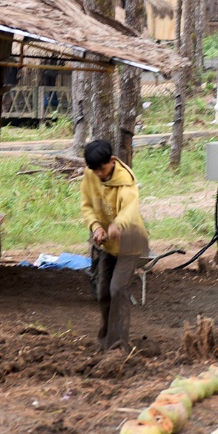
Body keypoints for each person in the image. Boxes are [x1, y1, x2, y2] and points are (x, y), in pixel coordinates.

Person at [80, 138, 149, 352]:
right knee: (103, 292)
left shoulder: (126, 182)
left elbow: (129, 210)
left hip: (130, 241)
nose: (98, 174)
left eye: (101, 169)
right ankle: (106, 340)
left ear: (111, 161)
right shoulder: (90, 175)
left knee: (118, 289)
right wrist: (96, 227)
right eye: (94, 170)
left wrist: (117, 224)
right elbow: (87, 205)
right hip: (109, 243)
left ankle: (119, 344)